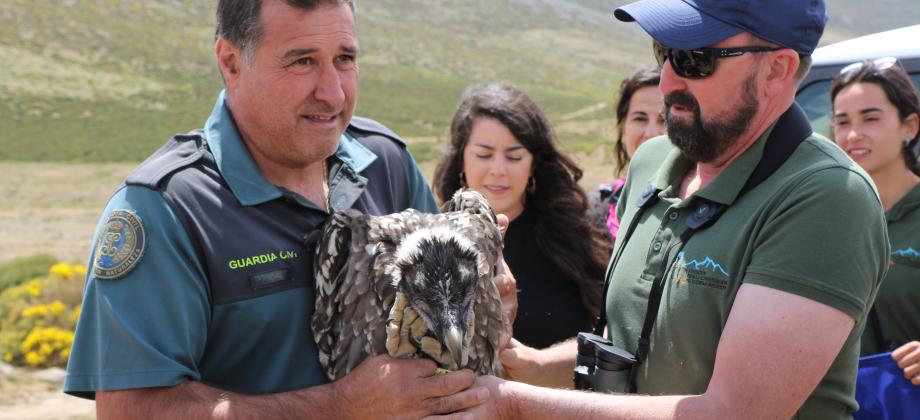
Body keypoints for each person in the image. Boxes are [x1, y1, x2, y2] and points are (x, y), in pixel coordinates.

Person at [63, 1, 499, 417]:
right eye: (302, 61)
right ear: (231, 63)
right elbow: (131, 412)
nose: (332, 93)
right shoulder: (167, 209)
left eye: (344, 59)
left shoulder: (387, 163)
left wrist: (485, 307)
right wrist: (339, 409)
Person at [463, 0, 891, 418]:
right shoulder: (652, 163)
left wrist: (511, 404)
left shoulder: (828, 199)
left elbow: (734, 412)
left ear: (776, 70)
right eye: (664, 52)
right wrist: (531, 366)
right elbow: (632, 340)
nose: (666, 81)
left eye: (693, 59)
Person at [431, 83, 610, 372]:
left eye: (514, 156)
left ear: (534, 164)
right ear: (461, 159)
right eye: (484, 155)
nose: (498, 170)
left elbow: (614, 334)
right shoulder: (431, 245)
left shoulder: (580, 239)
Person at [830, 57, 920, 385]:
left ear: (910, 126)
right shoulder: (825, 215)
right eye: (843, 122)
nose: (853, 134)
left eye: (870, 119)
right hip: (842, 400)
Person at [587, 66, 665, 243]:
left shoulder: (704, 212)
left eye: (665, 119)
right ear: (623, 130)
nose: (651, 133)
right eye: (640, 118)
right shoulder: (591, 211)